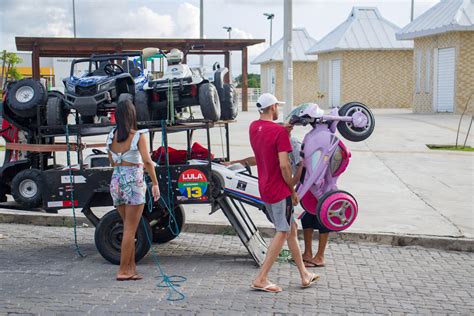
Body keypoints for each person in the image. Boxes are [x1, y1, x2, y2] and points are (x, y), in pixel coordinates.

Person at [249, 93, 319, 293]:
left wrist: (282, 131)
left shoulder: (254, 127)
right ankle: (261, 278)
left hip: (264, 186)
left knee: (291, 229)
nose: (278, 109)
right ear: (273, 108)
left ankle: (304, 274)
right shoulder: (279, 134)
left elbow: (267, 134)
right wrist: (294, 185)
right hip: (279, 189)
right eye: (277, 106)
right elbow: (284, 166)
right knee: (283, 231)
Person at [106, 99, 160, 281]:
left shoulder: (110, 135)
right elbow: (146, 161)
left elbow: (112, 162)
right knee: (130, 229)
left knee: (128, 227)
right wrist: (155, 183)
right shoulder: (138, 136)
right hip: (133, 183)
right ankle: (123, 270)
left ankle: (131, 268)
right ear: (132, 115)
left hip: (116, 181)